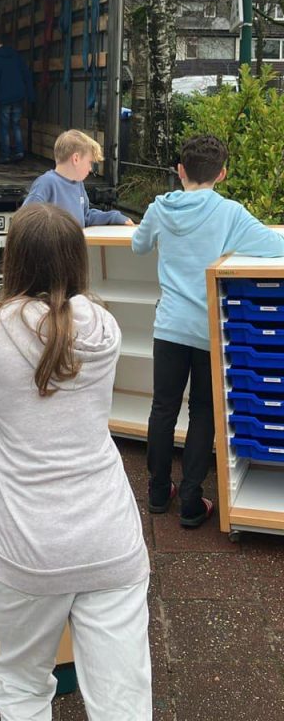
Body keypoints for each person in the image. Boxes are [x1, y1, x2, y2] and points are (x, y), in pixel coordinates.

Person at [0, 203, 151, 721]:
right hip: (111, 539)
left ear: (14, 261)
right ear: (77, 261)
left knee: (24, 683)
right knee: (123, 699)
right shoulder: (106, 329)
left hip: (30, 547)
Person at [132, 133, 284, 528]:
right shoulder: (229, 212)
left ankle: (157, 492)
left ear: (180, 170)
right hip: (207, 330)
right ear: (223, 173)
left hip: (169, 327)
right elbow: (274, 246)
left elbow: (138, 246)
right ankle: (190, 501)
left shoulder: (159, 208)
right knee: (203, 409)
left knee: (163, 408)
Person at [24, 129, 133, 226]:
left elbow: (86, 216)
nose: (90, 168)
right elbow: (25, 220)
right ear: (76, 159)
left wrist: (113, 217)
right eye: (89, 162)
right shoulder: (46, 183)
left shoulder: (78, 184)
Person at [0, 36, 34, 164]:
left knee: (4, 127)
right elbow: (26, 74)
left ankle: (6, 155)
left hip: (4, 96)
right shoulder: (16, 56)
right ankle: (19, 152)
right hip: (19, 95)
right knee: (16, 125)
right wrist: (30, 95)